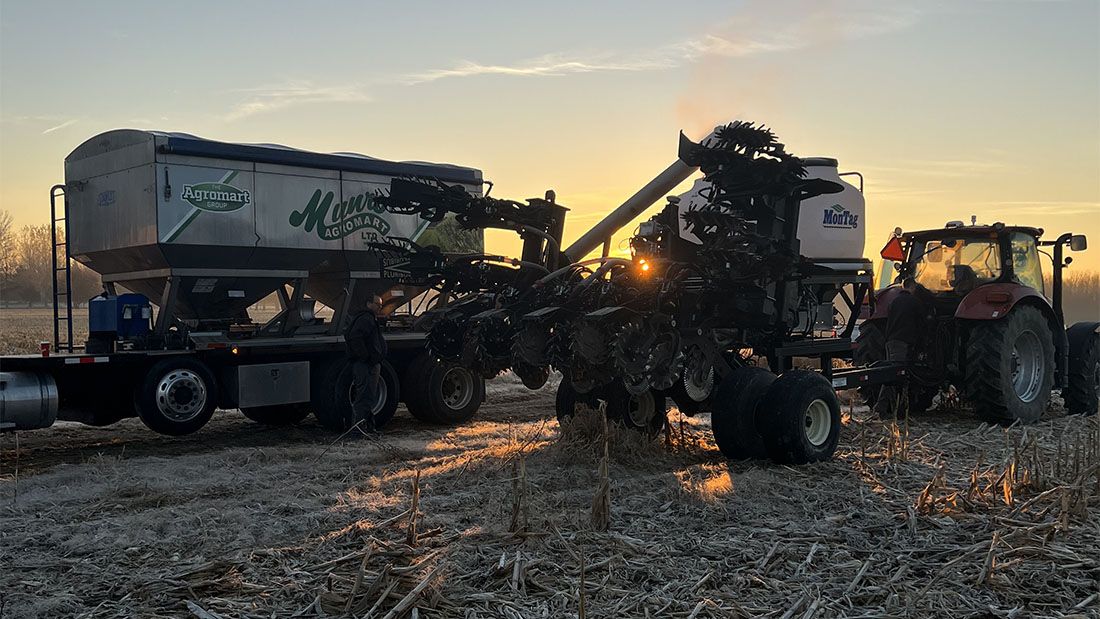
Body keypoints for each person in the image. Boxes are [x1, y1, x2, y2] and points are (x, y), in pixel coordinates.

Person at [875, 277, 928, 419]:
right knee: (894, 375)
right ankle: (882, 408)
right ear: (913, 287)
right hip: (902, 343)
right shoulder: (914, 302)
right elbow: (922, 322)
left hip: (890, 341)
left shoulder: (894, 301)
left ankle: (895, 409)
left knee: (892, 373)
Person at [345, 296, 388, 432]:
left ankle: (368, 427)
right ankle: (358, 429)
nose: (380, 307)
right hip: (366, 365)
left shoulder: (368, 318)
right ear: (368, 303)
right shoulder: (365, 319)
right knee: (364, 397)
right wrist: (366, 357)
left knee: (368, 396)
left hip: (369, 363)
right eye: (377, 304)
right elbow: (354, 337)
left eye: (381, 305)